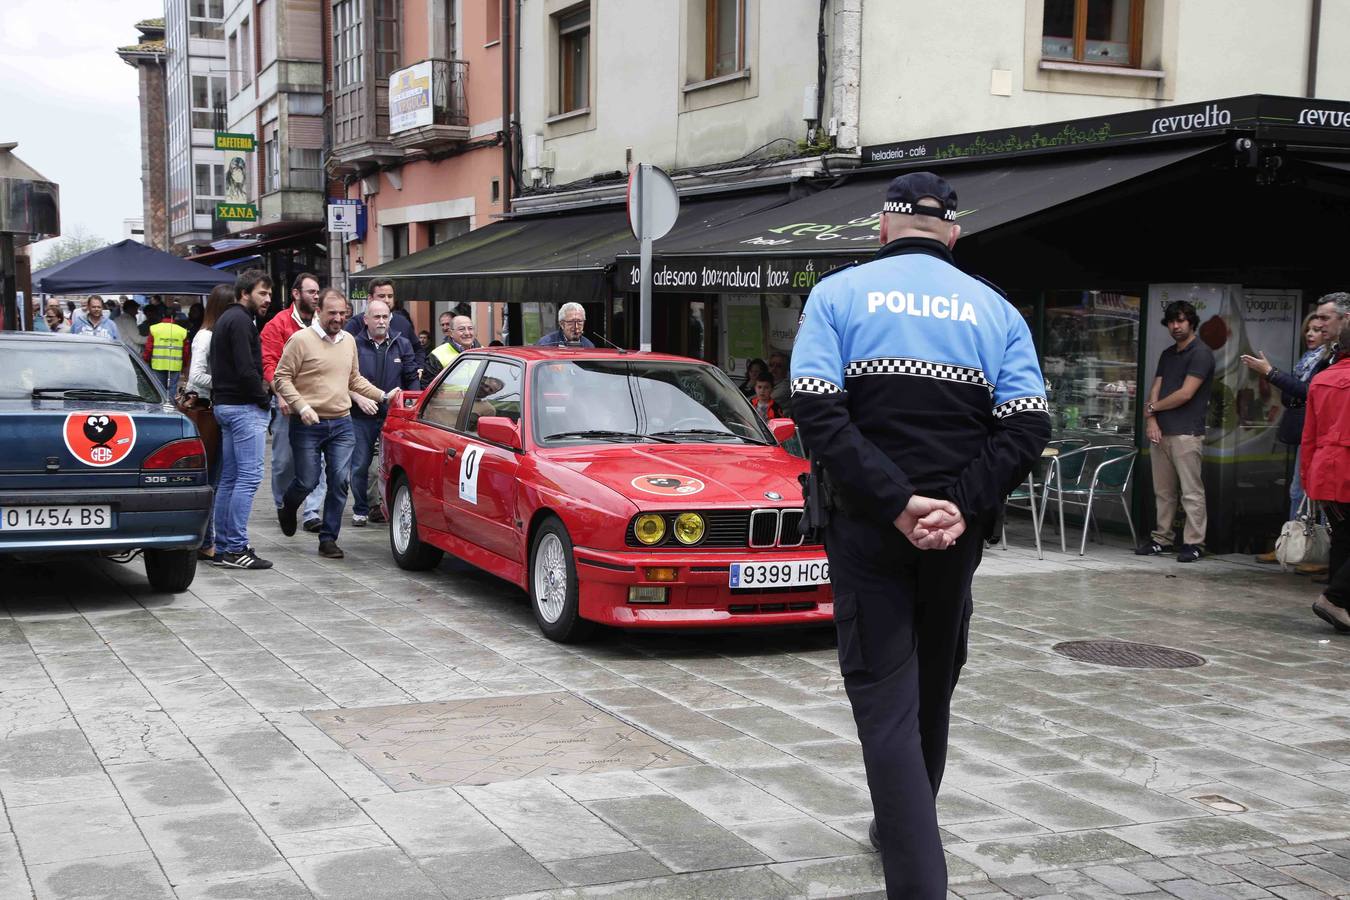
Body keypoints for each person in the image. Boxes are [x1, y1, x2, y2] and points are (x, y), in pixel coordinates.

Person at [790, 171, 1049, 899]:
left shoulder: (837, 296)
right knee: (931, 690)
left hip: (868, 530)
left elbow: (818, 413)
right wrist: (958, 507)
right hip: (955, 537)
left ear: (883, 228)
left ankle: (917, 880)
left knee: (884, 700)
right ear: (954, 234)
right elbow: (1029, 424)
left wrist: (897, 503)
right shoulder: (996, 309)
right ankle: (900, 825)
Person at [273, 288, 402, 559]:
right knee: (307, 481)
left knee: (340, 481)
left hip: (342, 422)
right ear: (318, 311)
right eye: (332, 313)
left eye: (343, 313)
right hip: (307, 423)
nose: (339, 318)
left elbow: (353, 378)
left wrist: (382, 395)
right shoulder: (300, 340)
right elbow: (281, 377)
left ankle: (328, 538)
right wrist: (302, 406)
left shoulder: (348, 342)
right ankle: (288, 505)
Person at [1242, 309, 1334, 563]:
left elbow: (1308, 392)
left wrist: (1272, 373)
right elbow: (1291, 395)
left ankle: (1317, 551)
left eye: (1318, 329)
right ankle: (1292, 545)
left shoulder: (1328, 360)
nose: (1311, 334)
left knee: (1318, 492)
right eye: (1309, 329)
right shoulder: (1307, 359)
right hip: (1302, 432)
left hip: (1319, 434)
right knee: (1297, 491)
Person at [1136, 300, 1216, 563]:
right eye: (1171, 321)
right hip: (1161, 430)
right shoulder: (1168, 353)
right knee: (1163, 491)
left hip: (1186, 432)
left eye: (1181, 320)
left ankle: (1194, 543)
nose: (1176, 326)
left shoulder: (1201, 353)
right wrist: (1151, 419)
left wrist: (1152, 407)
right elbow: (1156, 385)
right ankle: (1162, 538)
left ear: (1191, 322)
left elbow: (1186, 393)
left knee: (1191, 491)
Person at [209, 270, 274, 570]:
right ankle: (234, 547)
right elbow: (247, 370)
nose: (268, 299)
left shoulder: (226, 319)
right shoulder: (239, 321)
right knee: (247, 478)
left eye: (270, 294)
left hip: (226, 406)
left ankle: (223, 547)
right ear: (245, 293)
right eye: (263, 293)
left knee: (231, 479)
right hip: (242, 407)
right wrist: (264, 401)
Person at [261, 273, 327, 533]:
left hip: (318, 402)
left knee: (318, 461)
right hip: (288, 402)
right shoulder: (277, 324)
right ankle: (282, 505)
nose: (316, 296)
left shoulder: (323, 324)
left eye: (317, 291)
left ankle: (311, 512)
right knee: (283, 462)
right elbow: (269, 364)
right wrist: (280, 393)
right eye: (311, 291)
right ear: (296, 294)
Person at [1301, 292, 1350, 632]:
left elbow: (1309, 437)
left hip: (1324, 470)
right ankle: (1334, 598)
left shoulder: (1322, 378)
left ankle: (1339, 608)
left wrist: (1307, 478)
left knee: (1343, 539)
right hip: (1345, 467)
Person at [350, 299, 420, 526]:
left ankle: (388, 507)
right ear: (366, 319)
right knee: (360, 464)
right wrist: (358, 398)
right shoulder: (353, 344)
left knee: (393, 464)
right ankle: (361, 508)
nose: (381, 321)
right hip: (361, 415)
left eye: (385, 317)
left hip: (393, 415)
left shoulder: (402, 344)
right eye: (376, 317)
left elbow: (411, 378)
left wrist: (412, 406)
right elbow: (344, 377)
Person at [183, 285, 233, 562]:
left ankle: (208, 539)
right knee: (212, 478)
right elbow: (195, 377)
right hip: (208, 411)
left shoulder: (217, 334)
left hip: (217, 409)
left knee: (219, 477)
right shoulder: (206, 336)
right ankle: (207, 540)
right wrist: (226, 382)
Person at [345, 279, 425, 369]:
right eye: (382, 296)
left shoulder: (403, 323)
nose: (387, 300)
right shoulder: (355, 324)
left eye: (390, 296)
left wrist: (419, 369)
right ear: (370, 298)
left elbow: (418, 350)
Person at [142, 304, 190, 395]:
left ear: (163, 315)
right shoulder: (182, 331)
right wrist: (185, 364)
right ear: (175, 316)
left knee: (159, 388)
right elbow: (186, 351)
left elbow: (149, 347)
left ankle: (161, 407)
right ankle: (171, 406)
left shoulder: (154, 328)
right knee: (173, 387)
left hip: (158, 364)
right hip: (175, 364)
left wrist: (146, 359)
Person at [768, 351, 792, 416]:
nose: (773, 369)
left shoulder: (786, 387)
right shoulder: (769, 383)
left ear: (786, 370)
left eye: (779, 366)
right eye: (771, 365)